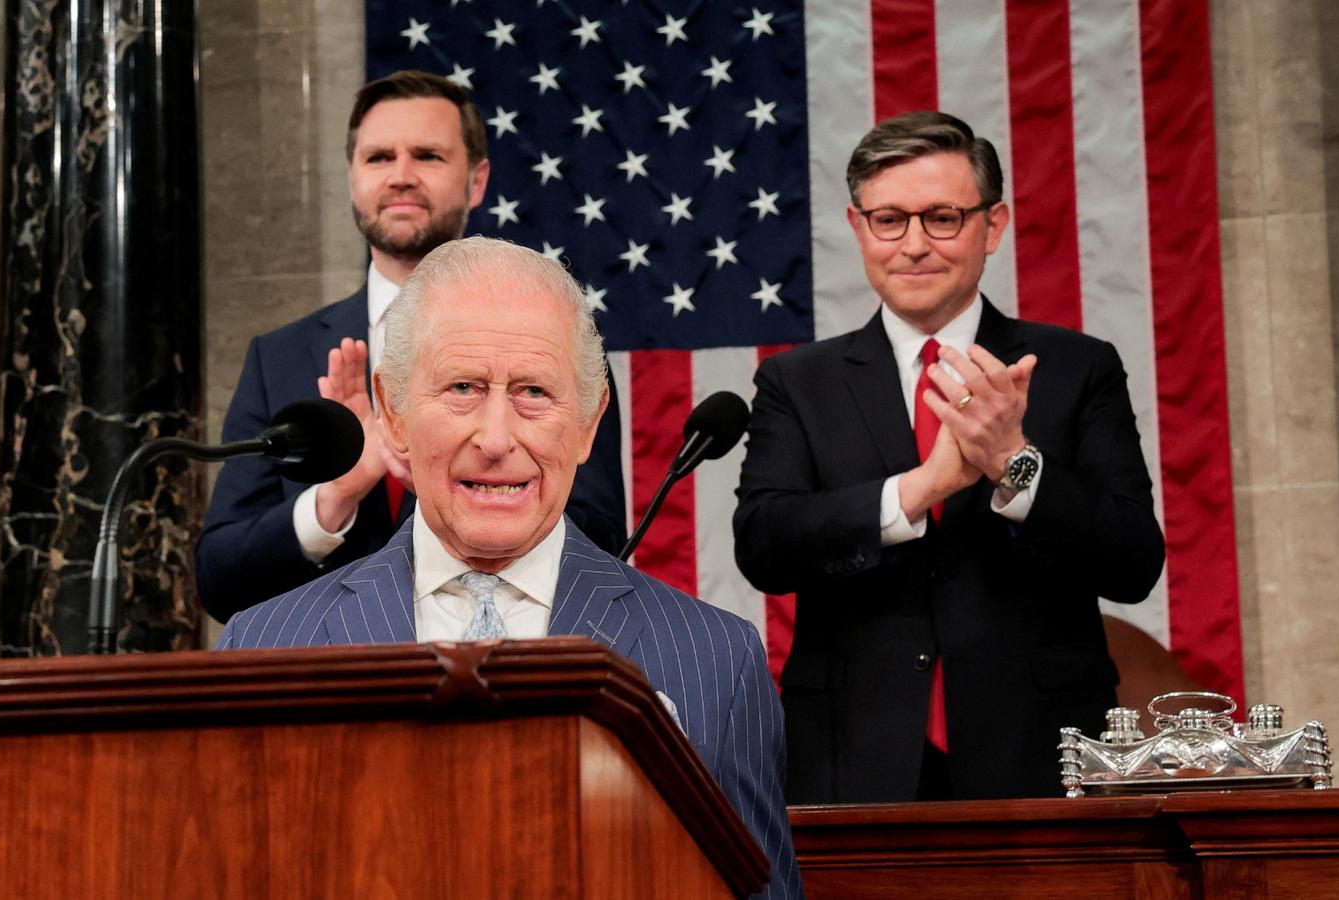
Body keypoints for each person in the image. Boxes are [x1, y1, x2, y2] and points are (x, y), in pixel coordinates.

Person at [217, 237, 801, 899]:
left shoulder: (717, 662)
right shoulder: (263, 649)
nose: (496, 440)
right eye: (463, 388)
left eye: (534, 392)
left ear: (588, 424)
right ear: (394, 412)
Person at [732, 111, 1166, 803]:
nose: (913, 245)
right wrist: (918, 489)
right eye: (889, 220)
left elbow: (1134, 562)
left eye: (942, 217)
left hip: (1037, 752)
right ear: (856, 227)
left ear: (992, 227)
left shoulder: (1075, 367)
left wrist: (1014, 465)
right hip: (854, 753)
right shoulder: (798, 382)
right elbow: (764, 546)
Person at [197, 70, 626, 623]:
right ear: (352, 179)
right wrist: (334, 500)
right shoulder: (279, 359)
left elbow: (602, 539)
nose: (401, 176)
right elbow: (219, 581)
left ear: (476, 181)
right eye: (378, 158)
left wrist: (426, 468)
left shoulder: (554, 342)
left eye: (427, 156)